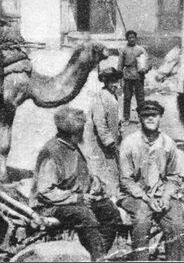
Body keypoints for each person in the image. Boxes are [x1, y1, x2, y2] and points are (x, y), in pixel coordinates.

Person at [32, 106, 122, 260]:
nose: (83, 133)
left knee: (110, 211)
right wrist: (77, 198)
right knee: (85, 215)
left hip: (75, 200)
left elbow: (78, 174)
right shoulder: (52, 152)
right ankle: (98, 257)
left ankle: (97, 254)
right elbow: (45, 192)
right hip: (49, 206)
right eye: (81, 130)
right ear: (74, 133)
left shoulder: (73, 146)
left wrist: (94, 182)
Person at [119, 100, 184, 261]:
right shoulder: (129, 143)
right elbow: (126, 180)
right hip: (135, 195)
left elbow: (173, 177)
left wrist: (165, 197)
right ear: (140, 118)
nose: (150, 118)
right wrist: (148, 199)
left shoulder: (168, 143)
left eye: (154, 115)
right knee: (142, 220)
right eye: (146, 115)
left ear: (160, 117)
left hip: (161, 194)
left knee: (176, 224)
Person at [86, 62, 122, 198]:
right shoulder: (100, 97)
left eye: (117, 82)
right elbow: (100, 122)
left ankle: (114, 191)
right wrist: (108, 141)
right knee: (103, 167)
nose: (115, 85)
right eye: (112, 82)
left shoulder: (113, 97)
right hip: (101, 142)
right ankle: (107, 194)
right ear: (106, 82)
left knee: (114, 166)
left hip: (113, 139)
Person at [120, 30, 149, 122]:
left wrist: (145, 69)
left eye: (133, 37)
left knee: (140, 98)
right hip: (127, 76)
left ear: (136, 38)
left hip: (138, 76)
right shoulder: (123, 50)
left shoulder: (141, 49)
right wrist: (119, 77)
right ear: (127, 39)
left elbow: (147, 62)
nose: (131, 39)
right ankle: (126, 118)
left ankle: (141, 118)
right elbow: (120, 65)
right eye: (129, 38)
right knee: (127, 98)